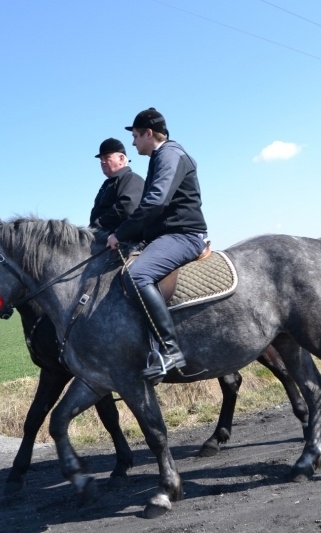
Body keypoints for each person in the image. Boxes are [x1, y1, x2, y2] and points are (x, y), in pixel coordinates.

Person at [107, 108, 208, 381]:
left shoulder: (169, 154)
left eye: (135, 136)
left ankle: (170, 350)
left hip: (184, 236)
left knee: (137, 275)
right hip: (166, 235)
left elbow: (155, 202)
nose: (132, 143)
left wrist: (121, 233)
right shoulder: (159, 158)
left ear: (149, 133)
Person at [89, 138, 144, 232]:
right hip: (100, 234)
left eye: (107, 157)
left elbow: (127, 208)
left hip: (121, 237)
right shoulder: (106, 185)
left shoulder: (131, 178)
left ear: (121, 158)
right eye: (101, 159)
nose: (102, 162)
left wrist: (99, 223)